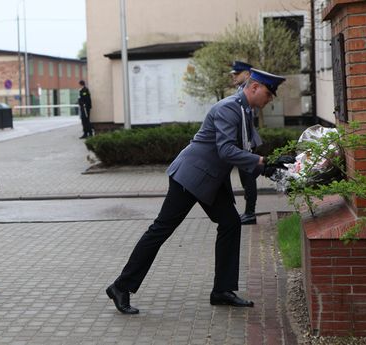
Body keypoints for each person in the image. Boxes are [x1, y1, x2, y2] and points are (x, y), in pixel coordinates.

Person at [106, 68, 294, 314]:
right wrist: (262, 163)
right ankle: (121, 286)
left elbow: (246, 150)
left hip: (212, 179)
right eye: (269, 94)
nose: (270, 100)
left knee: (230, 223)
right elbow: (227, 150)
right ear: (255, 87)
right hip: (191, 176)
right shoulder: (229, 108)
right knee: (161, 230)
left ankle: (222, 291)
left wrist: (270, 166)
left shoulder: (244, 109)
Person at [230, 61, 262, 225]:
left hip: (246, 143)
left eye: (237, 73)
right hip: (244, 142)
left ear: (248, 74)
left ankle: (250, 213)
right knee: (248, 177)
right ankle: (265, 168)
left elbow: (246, 122)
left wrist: (246, 146)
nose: (233, 76)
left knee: (248, 178)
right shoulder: (240, 91)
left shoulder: (249, 92)